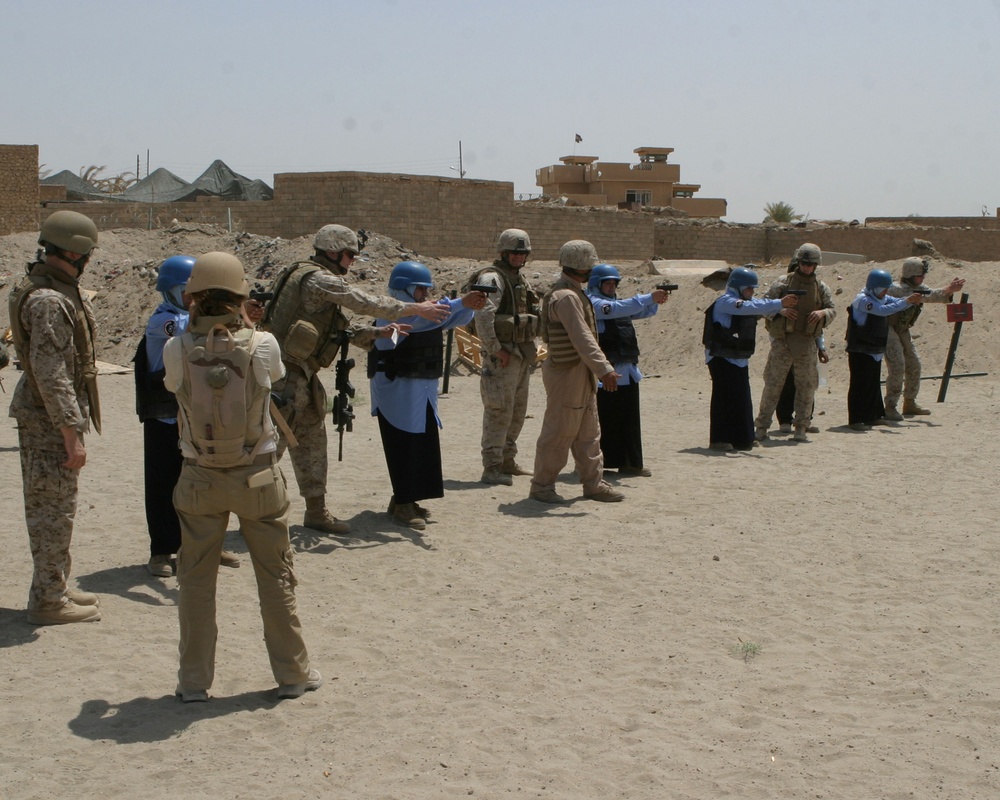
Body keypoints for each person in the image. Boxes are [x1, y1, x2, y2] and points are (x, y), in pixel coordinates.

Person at [164, 251, 321, 702]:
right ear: (239, 297)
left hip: (199, 477)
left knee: (195, 582)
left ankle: (193, 683)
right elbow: (273, 376)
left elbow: (174, 388)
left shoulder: (175, 346)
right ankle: (293, 674)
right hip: (258, 476)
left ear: (193, 296)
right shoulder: (264, 343)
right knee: (275, 576)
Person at [261, 224, 450, 535]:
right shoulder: (317, 279)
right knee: (268, 451)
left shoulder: (315, 282)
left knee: (312, 444)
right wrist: (414, 309)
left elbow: (340, 331)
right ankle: (249, 516)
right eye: (349, 255)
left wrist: (378, 334)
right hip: (283, 379)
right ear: (333, 252)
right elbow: (361, 300)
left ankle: (316, 511)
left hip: (301, 376)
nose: (351, 262)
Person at [8, 210, 103, 625]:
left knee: (59, 507)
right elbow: (51, 372)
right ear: (74, 251)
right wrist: (71, 432)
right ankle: (48, 600)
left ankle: (54, 586)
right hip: (49, 421)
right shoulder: (49, 300)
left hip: (47, 415)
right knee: (52, 512)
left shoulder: (53, 288)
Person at [134, 255, 240, 577]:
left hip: (192, 417)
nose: (194, 299)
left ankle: (205, 543)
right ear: (171, 291)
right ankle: (162, 551)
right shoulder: (164, 321)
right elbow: (187, 340)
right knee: (163, 484)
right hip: (165, 416)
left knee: (202, 483)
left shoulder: (189, 319)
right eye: (189, 292)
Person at [369, 262, 485, 529]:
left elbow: (450, 317)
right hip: (397, 392)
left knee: (422, 446)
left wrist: (469, 305)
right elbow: (416, 321)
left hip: (421, 392)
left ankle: (406, 499)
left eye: (424, 290)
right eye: (419, 290)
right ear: (404, 290)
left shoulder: (424, 313)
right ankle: (403, 504)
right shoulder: (389, 312)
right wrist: (459, 302)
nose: (423, 295)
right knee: (403, 446)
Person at [529, 240, 625, 504]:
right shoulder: (567, 297)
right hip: (567, 373)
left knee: (588, 433)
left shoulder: (573, 293)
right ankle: (542, 486)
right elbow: (583, 338)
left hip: (580, 372)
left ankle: (593, 484)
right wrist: (604, 369)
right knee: (560, 431)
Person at [470, 228, 541, 486]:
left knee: (517, 411)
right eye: (514, 252)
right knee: (499, 409)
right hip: (503, 355)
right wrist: (494, 348)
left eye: (522, 253)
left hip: (521, 353)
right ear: (503, 252)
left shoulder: (519, 279)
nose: (518, 257)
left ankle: (507, 460)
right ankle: (492, 466)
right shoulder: (492, 278)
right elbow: (483, 315)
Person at [586, 263, 668, 476]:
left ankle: (630, 463)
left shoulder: (616, 303)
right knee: (606, 420)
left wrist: (654, 301)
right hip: (606, 372)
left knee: (629, 420)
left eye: (614, 283)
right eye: (608, 283)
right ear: (597, 284)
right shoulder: (592, 303)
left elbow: (637, 311)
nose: (612, 287)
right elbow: (615, 309)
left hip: (628, 369)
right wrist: (648, 298)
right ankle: (603, 463)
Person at [704, 266, 797, 452]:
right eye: (749, 288)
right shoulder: (726, 302)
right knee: (724, 399)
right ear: (738, 287)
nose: (752, 292)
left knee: (742, 399)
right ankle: (719, 439)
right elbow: (750, 307)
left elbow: (758, 306)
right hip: (721, 358)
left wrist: (780, 309)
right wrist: (780, 303)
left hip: (738, 357)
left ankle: (743, 439)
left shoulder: (745, 301)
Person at [753, 243, 836, 443]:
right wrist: (779, 310)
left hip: (807, 343)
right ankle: (762, 426)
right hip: (783, 342)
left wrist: (822, 313)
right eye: (804, 262)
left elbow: (832, 309)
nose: (807, 267)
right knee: (773, 385)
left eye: (811, 264)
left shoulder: (821, 287)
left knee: (806, 387)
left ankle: (801, 427)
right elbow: (761, 306)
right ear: (798, 262)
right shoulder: (782, 283)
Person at [883, 257, 966, 419]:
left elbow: (934, 296)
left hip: (903, 329)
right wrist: (947, 288)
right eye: (920, 276)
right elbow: (921, 295)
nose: (923, 279)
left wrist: (949, 290)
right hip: (888, 328)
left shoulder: (919, 288)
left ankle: (909, 402)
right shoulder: (896, 288)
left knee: (914, 364)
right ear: (910, 275)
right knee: (898, 365)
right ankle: (890, 406)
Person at [846, 269, 924, 431]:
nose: (886, 292)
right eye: (884, 288)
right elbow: (882, 311)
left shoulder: (881, 298)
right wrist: (907, 301)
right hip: (860, 348)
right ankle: (856, 419)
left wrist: (910, 299)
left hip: (874, 348)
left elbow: (895, 302)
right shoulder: (863, 300)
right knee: (859, 385)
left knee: (873, 384)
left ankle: (873, 416)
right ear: (875, 287)